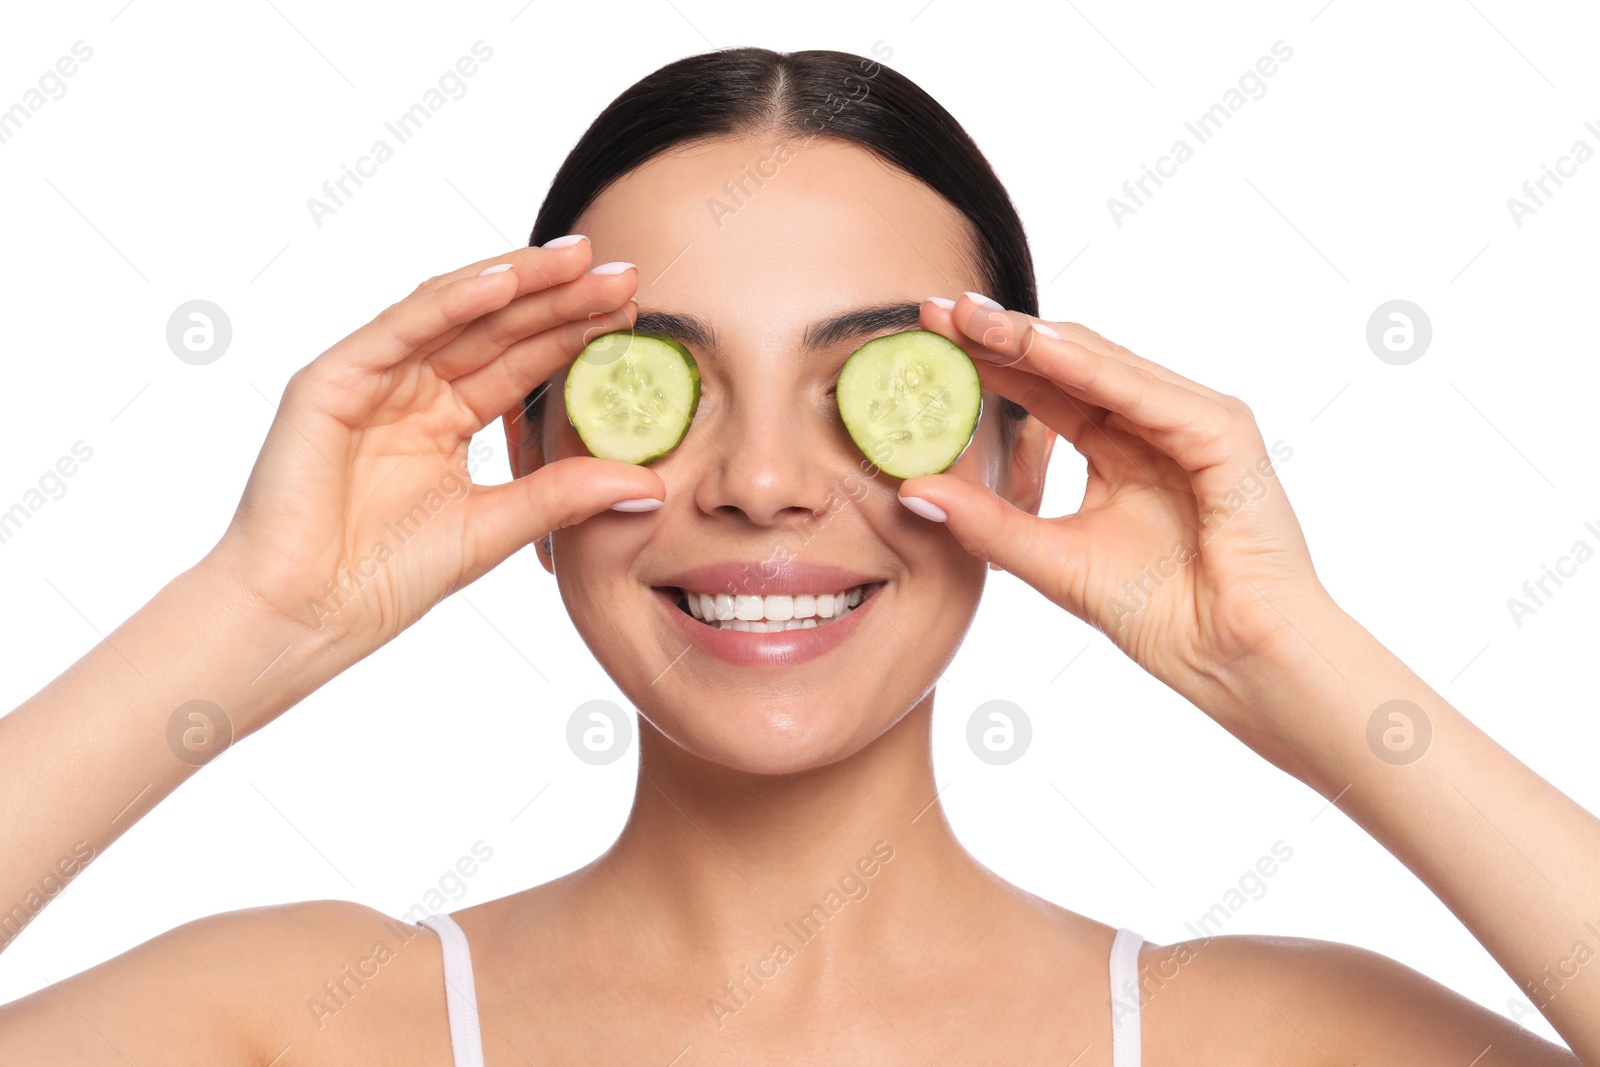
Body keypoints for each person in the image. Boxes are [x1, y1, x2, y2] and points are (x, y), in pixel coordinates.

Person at [1, 46, 1594, 1066]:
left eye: (873, 396)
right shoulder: (298, 1027)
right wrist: (253, 612)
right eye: (667, 388)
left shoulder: (1259, 1041)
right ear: (535, 454)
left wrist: (1294, 662)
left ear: (1021, 454)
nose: (763, 483)